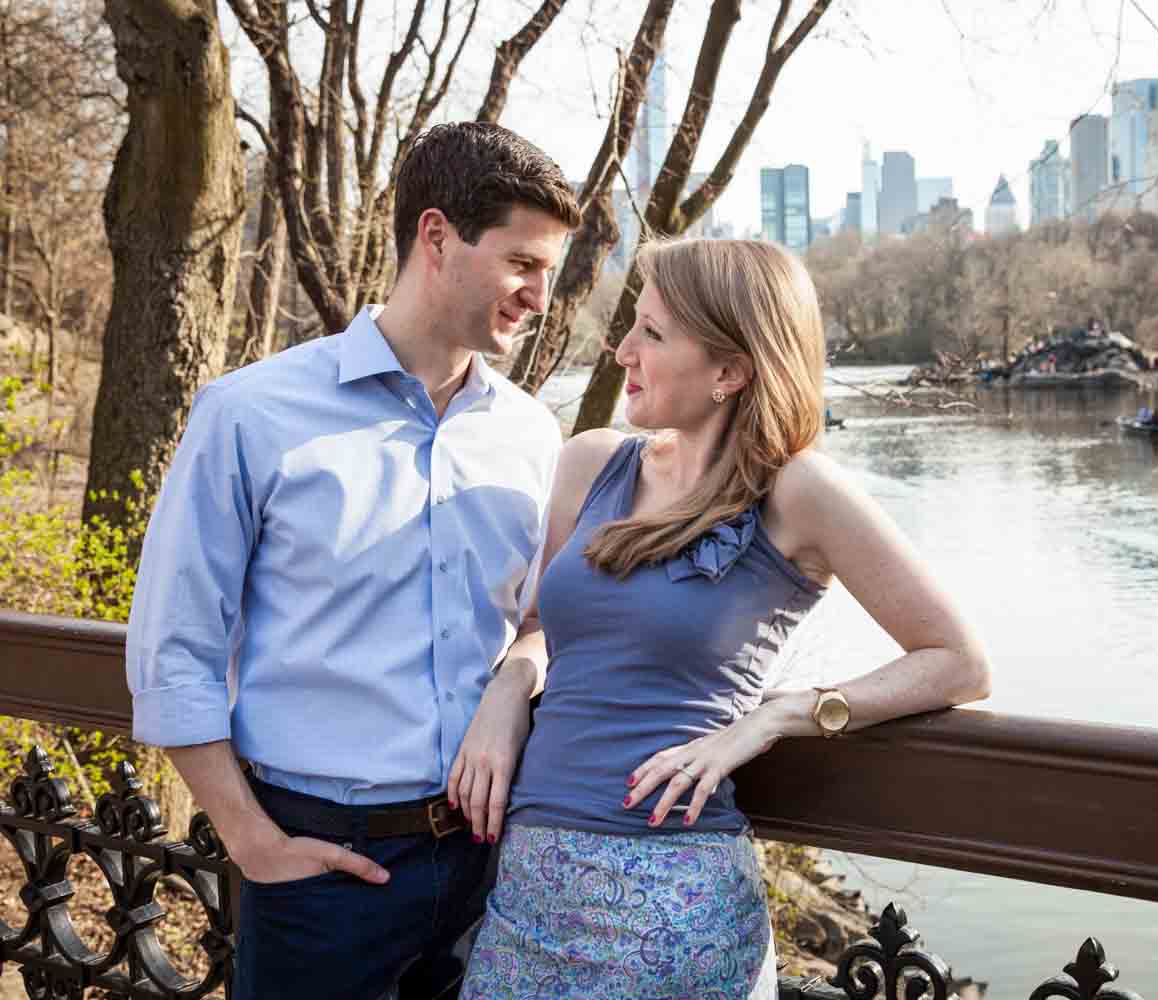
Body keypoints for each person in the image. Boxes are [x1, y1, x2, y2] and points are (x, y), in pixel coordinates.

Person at [456, 239, 992, 999]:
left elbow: (958, 662)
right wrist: (510, 685)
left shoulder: (799, 492)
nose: (622, 351)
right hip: (530, 888)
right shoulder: (591, 463)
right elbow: (542, 624)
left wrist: (780, 717)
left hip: (678, 906)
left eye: (652, 333)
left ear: (730, 372)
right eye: (632, 326)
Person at [124, 122, 581, 999]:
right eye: (523, 263)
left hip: (486, 869)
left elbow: (538, 621)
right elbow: (171, 649)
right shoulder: (249, 414)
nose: (540, 296)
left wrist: (511, 688)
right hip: (320, 874)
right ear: (436, 237)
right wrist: (251, 840)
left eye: (549, 271)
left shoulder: (530, 433)